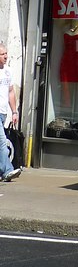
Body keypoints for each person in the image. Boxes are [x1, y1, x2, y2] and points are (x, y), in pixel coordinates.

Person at [0, 44, 20, 181]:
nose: (6, 56)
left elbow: (11, 92)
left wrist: (14, 111)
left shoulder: (8, 71)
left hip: (3, 113)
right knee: (2, 142)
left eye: (6, 53)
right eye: (2, 54)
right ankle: (8, 170)